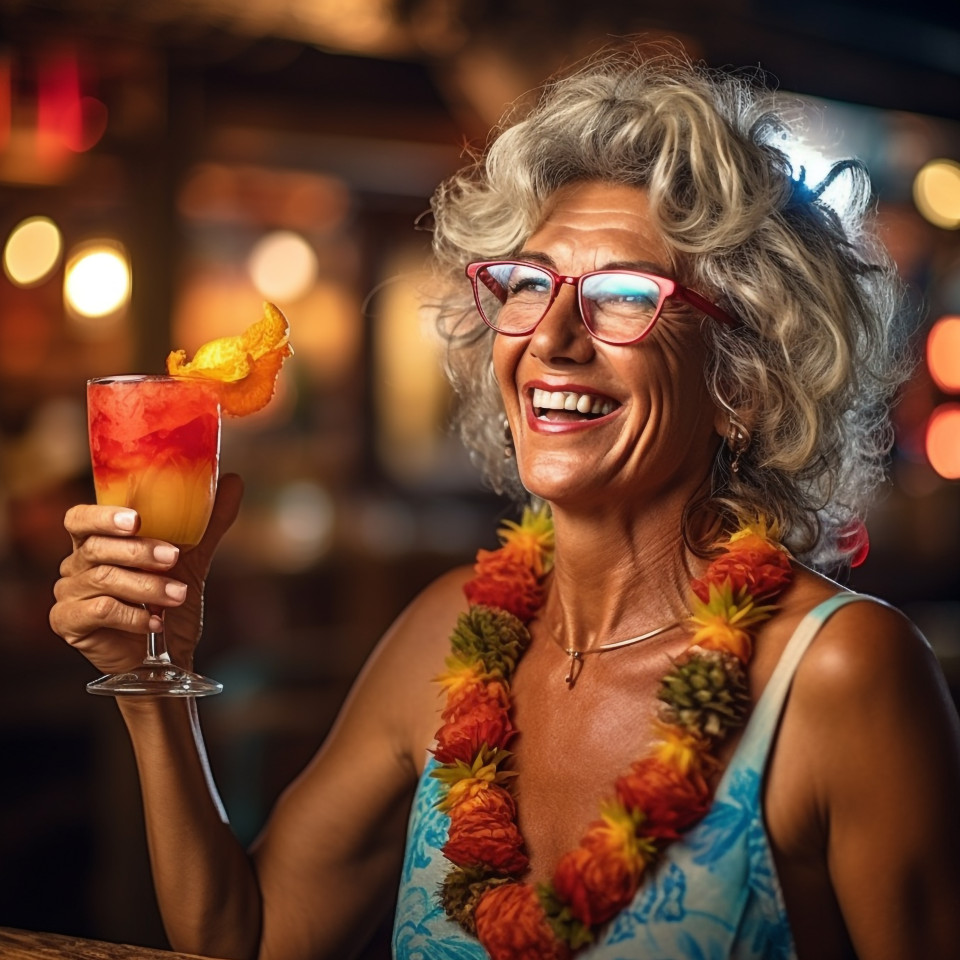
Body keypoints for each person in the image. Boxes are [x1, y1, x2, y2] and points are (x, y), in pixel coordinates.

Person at [50, 46, 960, 960]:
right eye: (528, 284)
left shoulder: (844, 676)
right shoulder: (443, 638)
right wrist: (153, 673)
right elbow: (243, 941)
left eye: (622, 297)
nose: (553, 338)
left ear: (745, 383)